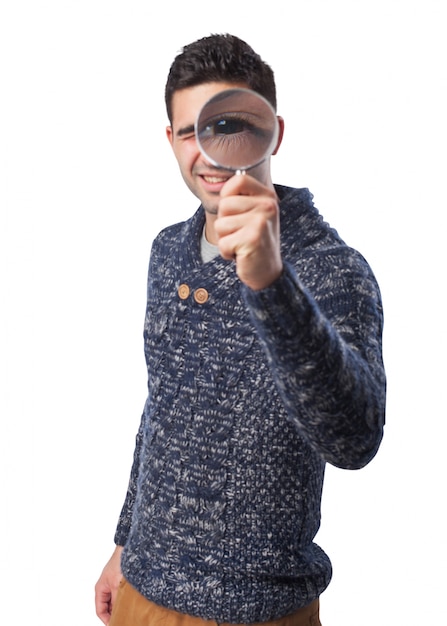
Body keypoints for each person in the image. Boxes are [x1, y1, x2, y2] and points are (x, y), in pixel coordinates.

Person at [95, 33, 386, 626]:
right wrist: (125, 542)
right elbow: (163, 409)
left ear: (274, 132)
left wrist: (271, 284)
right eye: (191, 132)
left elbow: (355, 439)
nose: (210, 152)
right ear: (171, 141)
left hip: (257, 612)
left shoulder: (332, 268)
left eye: (231, 124)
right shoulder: (167, 251)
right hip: (142, 592)